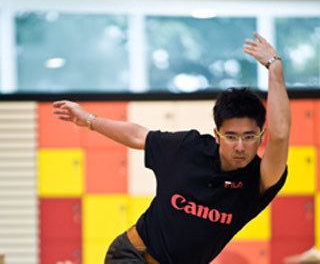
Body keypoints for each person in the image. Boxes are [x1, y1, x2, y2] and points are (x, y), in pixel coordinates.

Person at [53, 32, 291, 264]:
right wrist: (88, 120)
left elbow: (280, 136)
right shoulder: (188, 148)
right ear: (217, 135)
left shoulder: (260, 179)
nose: (240, 146)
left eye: (249, 136)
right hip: (131, 254)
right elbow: (138, 136)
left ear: (261, 136)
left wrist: (275, 68)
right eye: (231, 136)